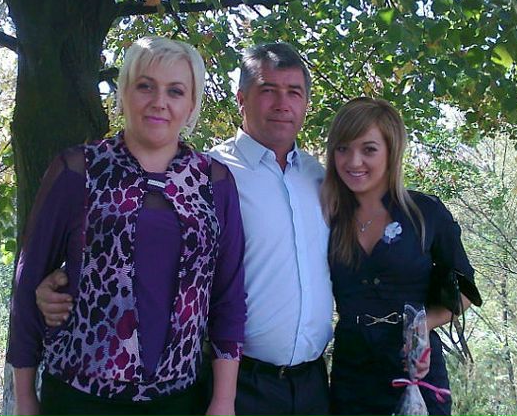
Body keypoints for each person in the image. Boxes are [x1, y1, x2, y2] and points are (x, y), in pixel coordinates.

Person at [34, 42, 334, 415]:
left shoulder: (321, 179)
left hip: (312, 385)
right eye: (268, 90)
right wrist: (63, 279)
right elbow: (140, 241)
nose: (282, 104)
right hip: (235, 382)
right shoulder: (207, 177)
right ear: (241, 99)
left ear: (306, 103)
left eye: (294, 92)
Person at [6, 36, 246, 416]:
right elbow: (28, 279)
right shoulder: (78, 170)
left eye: (176, 91)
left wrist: (224, 400)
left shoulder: (214, 182)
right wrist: (24, 399)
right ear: (124, 93)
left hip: (179, 400)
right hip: (79, 398)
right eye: (145, 86)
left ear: (191, 105)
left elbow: (228, 295)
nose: (159, 102)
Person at [320, 97, 483, 416]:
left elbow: (465, 293)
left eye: (369, 149)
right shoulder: (326, 216)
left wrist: (424, 325)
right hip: (352, 375)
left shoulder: (426, 214)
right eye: (342, 148)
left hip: (417, 372)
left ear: (391, 151)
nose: (353, 161)